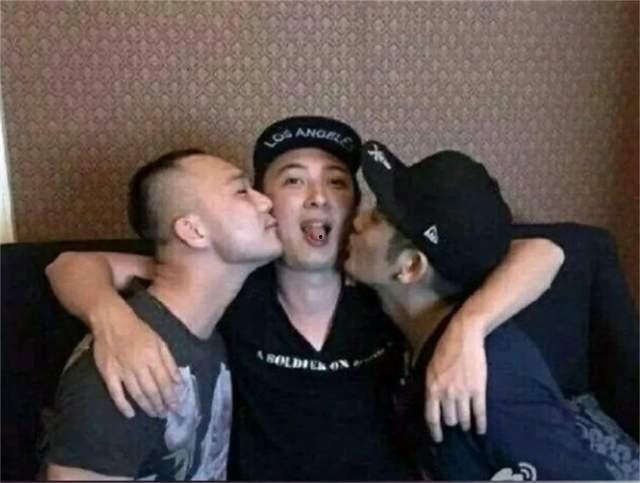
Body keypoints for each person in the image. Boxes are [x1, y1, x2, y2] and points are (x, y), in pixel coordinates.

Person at [46, 116, 565, 480]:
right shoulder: (230, 286)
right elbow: (70, 265)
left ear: (356, 208)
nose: (318, 197)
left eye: (337, 182)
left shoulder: (390, 290)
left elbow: (545, 252)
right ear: (265, 203)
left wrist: (468, 329)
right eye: (293, 180)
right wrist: (112, 319)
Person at [345, 140, 636, 479]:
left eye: (376, 218)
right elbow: (541, 249)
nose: (357, 221)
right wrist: (468, 327)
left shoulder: (491, 391)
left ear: (410, 267)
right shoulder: (412, 320)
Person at [45, 149, 282, 480]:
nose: (266, 202)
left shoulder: (205, 335)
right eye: (242, 191)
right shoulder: (127, 367)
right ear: (193, 231)